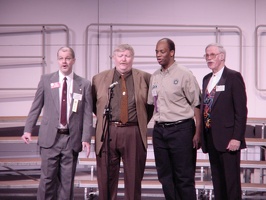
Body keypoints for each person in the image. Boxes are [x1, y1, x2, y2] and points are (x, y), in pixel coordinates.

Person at [21, 46, 93, 200]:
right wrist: (28, 129)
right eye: (61, 58)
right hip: (49, 139)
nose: (64, 61)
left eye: (67, 58)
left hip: (71, 139)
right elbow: (36, 106)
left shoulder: (84, 84)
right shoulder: (47, 80)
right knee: (47, 180)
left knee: (67, 183)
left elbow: (87, 114)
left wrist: (86, 138)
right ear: (58, 60)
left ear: (73, 60)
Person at [92, 44, 154, 200]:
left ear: (132, 58)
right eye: (120, 56)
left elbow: (150, 106)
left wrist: (138, 121)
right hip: (108, 132)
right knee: (106, 180)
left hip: (133, 131)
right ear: (114, 58)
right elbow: (95, 105)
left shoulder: (145, 77)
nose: (123, 59)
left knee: (133, 180)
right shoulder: (99, 78)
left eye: (127, 55)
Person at [147, 38, 201, 200]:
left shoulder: (184, 74)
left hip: (181, 130)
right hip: (160, 131)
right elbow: (151, 103)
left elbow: (197, 104)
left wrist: (198, 133)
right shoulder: (155, 77)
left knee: (184, 177)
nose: (158, 55)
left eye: (162, 51)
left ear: (172, 53)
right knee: (165, 177)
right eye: (156, 51)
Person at [200, 43, 247, 200]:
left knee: (231, 183)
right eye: (206, 55)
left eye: (212, 55)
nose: (208, 58)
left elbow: (241, 111)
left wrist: (237, 137)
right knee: (218, 182)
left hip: (228, 140)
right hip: (211, 139)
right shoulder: (206, 79)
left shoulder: (233, 77)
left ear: (222, 56)